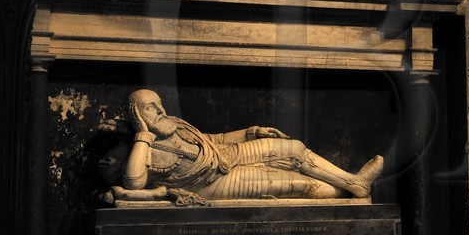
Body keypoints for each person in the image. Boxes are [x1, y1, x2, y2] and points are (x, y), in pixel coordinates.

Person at [108, 89, 383, 203]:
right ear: (137, 115)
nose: (160, 110)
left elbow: (213, 140)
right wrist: (142, 135)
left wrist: (252, 132)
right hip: (214, 183)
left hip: (228, 153)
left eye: (159, 104)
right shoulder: (140, 149)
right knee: (301, 184)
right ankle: (347, 192)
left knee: (294, 148)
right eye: (150, 108)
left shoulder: (176, 125)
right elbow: (133, 183)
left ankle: (355, 182)